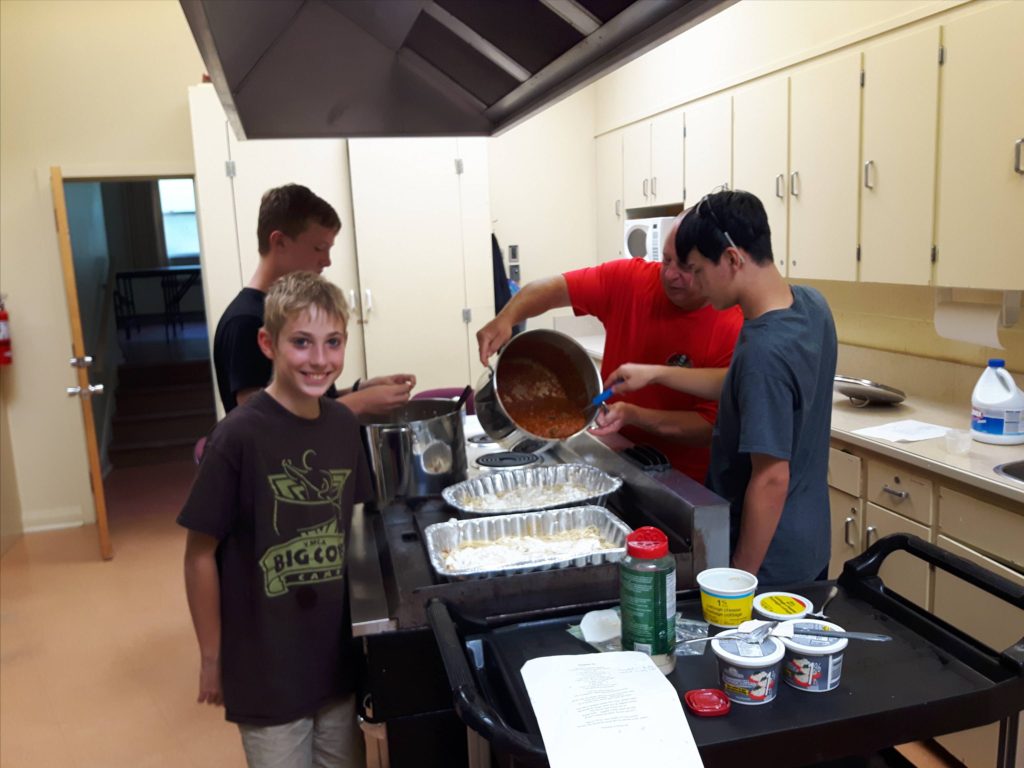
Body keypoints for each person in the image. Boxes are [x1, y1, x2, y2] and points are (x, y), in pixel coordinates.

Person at [181, 271, 371, 767]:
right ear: (268, 343)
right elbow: (199, 554)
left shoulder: (344, 425)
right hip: (264, 666)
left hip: (332, 659)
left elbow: (354, 529)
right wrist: (211, 656)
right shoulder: (238, 437)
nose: (320, 359)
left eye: (332, 342)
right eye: (301, 342)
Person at [603, 190, 837, 586]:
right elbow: (746, 387)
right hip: (810, 542)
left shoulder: (765, 349)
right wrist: (657, 373)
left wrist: (737, 581)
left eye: (697, 269)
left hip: (767, 558)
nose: (692, 282)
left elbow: (771, 478)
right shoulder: (811, 305)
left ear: (732, 259)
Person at [476, 217, 743, 482]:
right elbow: (555, 288)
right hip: (613, 457)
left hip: (683, 479)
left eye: (686, 267)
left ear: (713, 266)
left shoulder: (733, 324)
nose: (671, 274)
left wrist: (634, 415)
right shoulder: (632, 280)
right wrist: (506, 318)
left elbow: (709, 427)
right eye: (666, 260)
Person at [214, 183, 415, 415]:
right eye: (319, 248)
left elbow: (309, 403)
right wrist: (360, 403)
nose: (327, 261)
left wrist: (360, 390)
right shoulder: (245, 322)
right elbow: (264, 421)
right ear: (279, 242)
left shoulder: (289, 310)